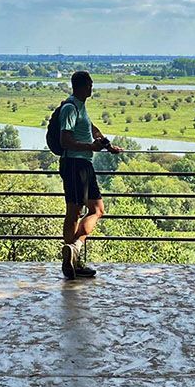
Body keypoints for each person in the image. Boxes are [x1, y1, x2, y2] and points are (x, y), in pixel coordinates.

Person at [59, 71, 122, 278]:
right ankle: (72, 259)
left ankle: (73, 252)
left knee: (97, 209)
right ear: (80, 86)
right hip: (75, 164)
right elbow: (65, 140)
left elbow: (91, 129)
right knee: (75, 212)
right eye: (89, 85)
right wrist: (91, 147)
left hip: (82, 164)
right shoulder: (70, 108)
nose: (91, 89)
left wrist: (106, 145)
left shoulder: (79, 107)